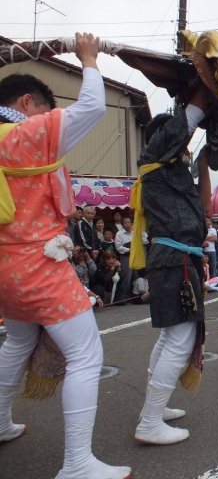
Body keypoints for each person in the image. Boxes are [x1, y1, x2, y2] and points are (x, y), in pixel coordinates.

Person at [0, 33, 131, 478]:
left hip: (4, 272)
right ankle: (77, 465)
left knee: (16, 341)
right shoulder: (25, 132)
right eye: (45, 108)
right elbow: (92, 107)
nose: (50, 117)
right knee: (87, 354)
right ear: (25, 103)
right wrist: (88, 58)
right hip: (38, 265)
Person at [130, 82, 215, 446]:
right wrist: (208, 88)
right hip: (173, 259)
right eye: (176, 138)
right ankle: (149, 422)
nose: (182, 143)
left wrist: (206, 163)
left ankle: (154, 409)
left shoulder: (169, 171)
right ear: (162, 140)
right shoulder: (154, 158)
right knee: (180, 339)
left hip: (179, 258)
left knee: (171, 336)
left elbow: (203, 204)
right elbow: (184, 124)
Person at [115, 216, 134, 298]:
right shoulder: (119, 234)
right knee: (127, 275)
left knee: (135, 274)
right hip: (125, 256)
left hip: (135, 256)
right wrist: (129, 250)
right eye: (125, 223)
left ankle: (134, 293)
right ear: (123, 224)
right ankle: (125, 295)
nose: (127, 224)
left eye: (129, 222)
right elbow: (119, 247)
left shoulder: (134, 232)